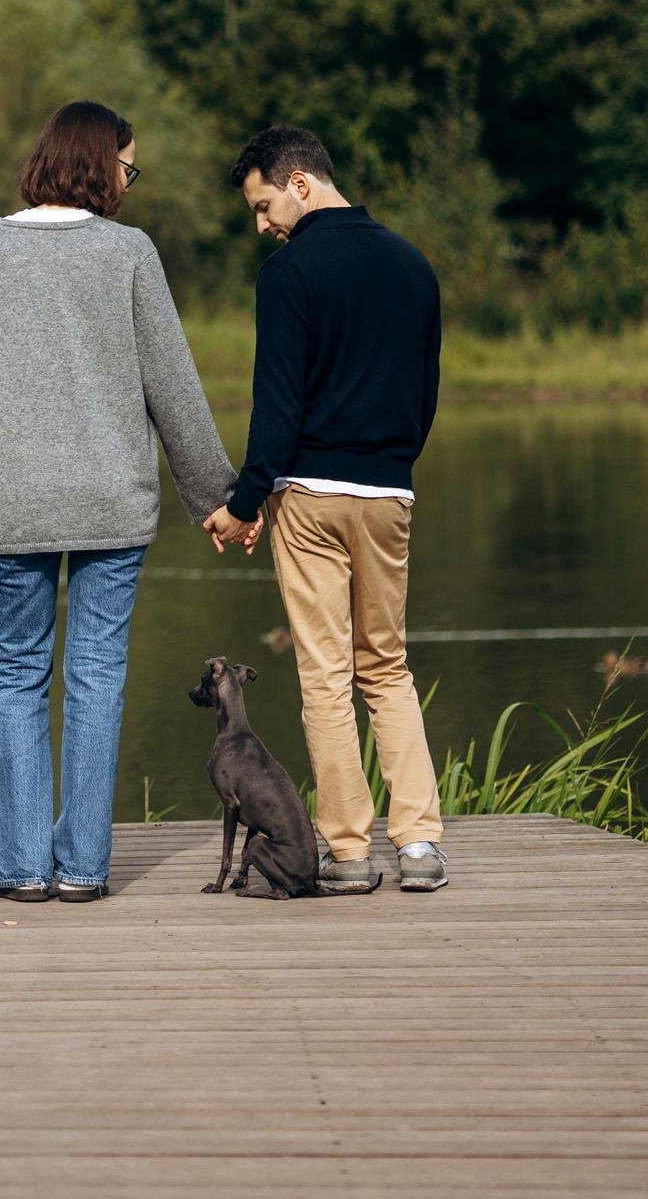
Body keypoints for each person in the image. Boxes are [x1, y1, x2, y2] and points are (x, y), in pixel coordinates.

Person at [0, 100, 235, 904]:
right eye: (128, 167)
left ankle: (21, 868)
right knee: (98, 677)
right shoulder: (130, 252)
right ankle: (81, 869)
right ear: (100, 164)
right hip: (111, 499)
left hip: (12, 501)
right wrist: (215, 494)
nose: (130, 183)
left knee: (15, 676)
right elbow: (172, 385)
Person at [202, 126, 449, 891]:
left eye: (264, 203)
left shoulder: (288, 275)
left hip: (310, 494)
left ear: (301, 182)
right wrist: (391, 467)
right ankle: (418, 848)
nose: (262, 223)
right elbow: (426, 395)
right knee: (388, 668)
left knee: (325, 677)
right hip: (388, 492)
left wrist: (245, 504)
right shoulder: (415, 267)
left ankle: (347, 851)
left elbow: (277, 407)